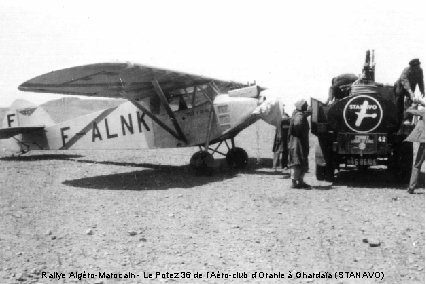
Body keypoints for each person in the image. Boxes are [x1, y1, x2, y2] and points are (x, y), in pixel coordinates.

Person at [288, 99, 312, 189]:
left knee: (300, 160)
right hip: (297, 142)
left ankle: (300, 181)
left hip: (297, 142)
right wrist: (300, 133)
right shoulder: (299, 115)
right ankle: (295, 183)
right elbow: (298, 124)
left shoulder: (297, 114)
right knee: (297, 161)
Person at [395, 59, 425, 124]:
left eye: (418, 66)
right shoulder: (406, 70)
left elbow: (420, 80)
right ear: (412, 67)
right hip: (401, 85)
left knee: (410, 101)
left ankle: (407, 119)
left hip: (412, 85)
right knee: (399, 101)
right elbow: (405, 81)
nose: (417, 68)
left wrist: (422, 90)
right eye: (415, 67)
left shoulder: (420, 70)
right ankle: (398, 119)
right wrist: (410, 91)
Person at [406, 97, 425, 194]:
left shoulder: (423, 112)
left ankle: (411, 187)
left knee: (417, 165)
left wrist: (415, 104)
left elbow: (409, 111)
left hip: (424, 143)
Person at [272, 105, 290, 172]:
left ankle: (283, 165)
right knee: (278, 151)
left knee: (285, 150)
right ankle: (275, 166)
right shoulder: (279, 117)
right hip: (280, 136)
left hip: (285, 136)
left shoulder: (287, 117)